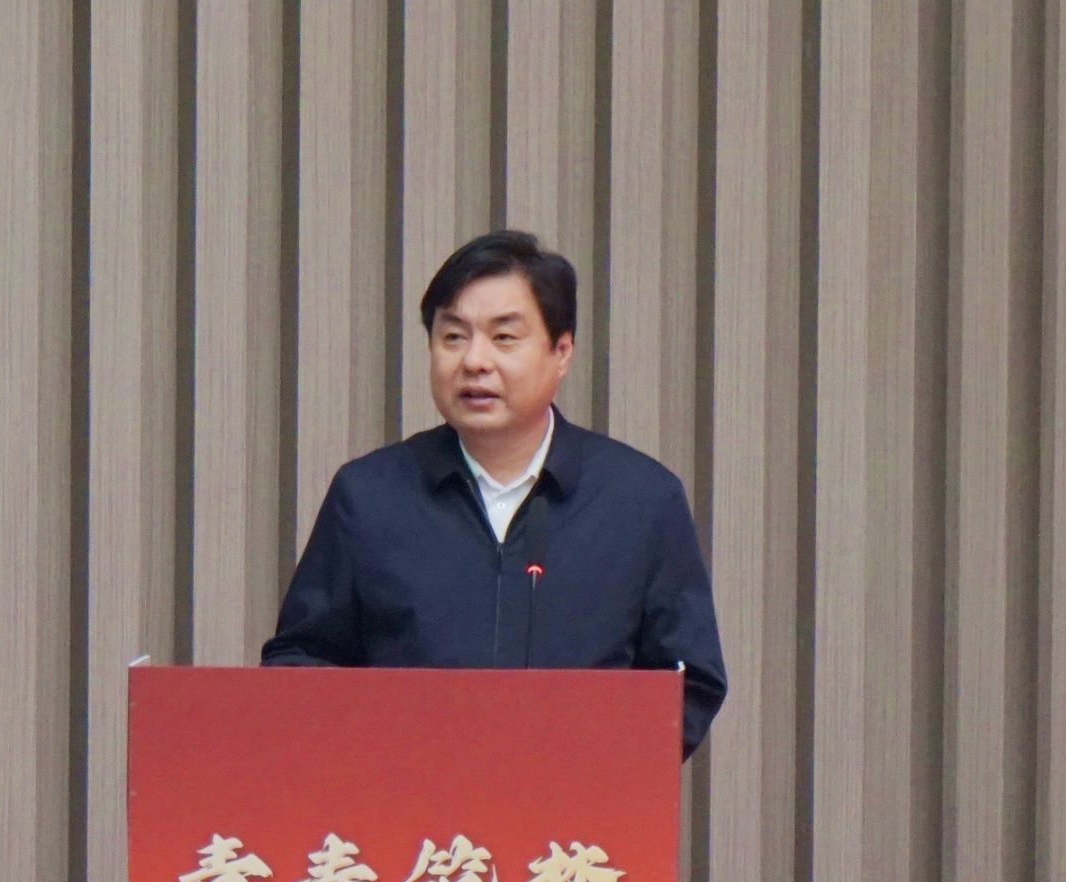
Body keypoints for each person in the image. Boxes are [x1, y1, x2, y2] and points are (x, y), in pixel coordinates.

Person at [261, 230, 726, 759]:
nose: (474, 361)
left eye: (504, 338)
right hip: (406, 800)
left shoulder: (639, 500)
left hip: (575, 804)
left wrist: (595, 765)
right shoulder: (369, 495)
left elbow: (688, 682)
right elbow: (302, 661)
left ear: (561, 351)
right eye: (453, 337)